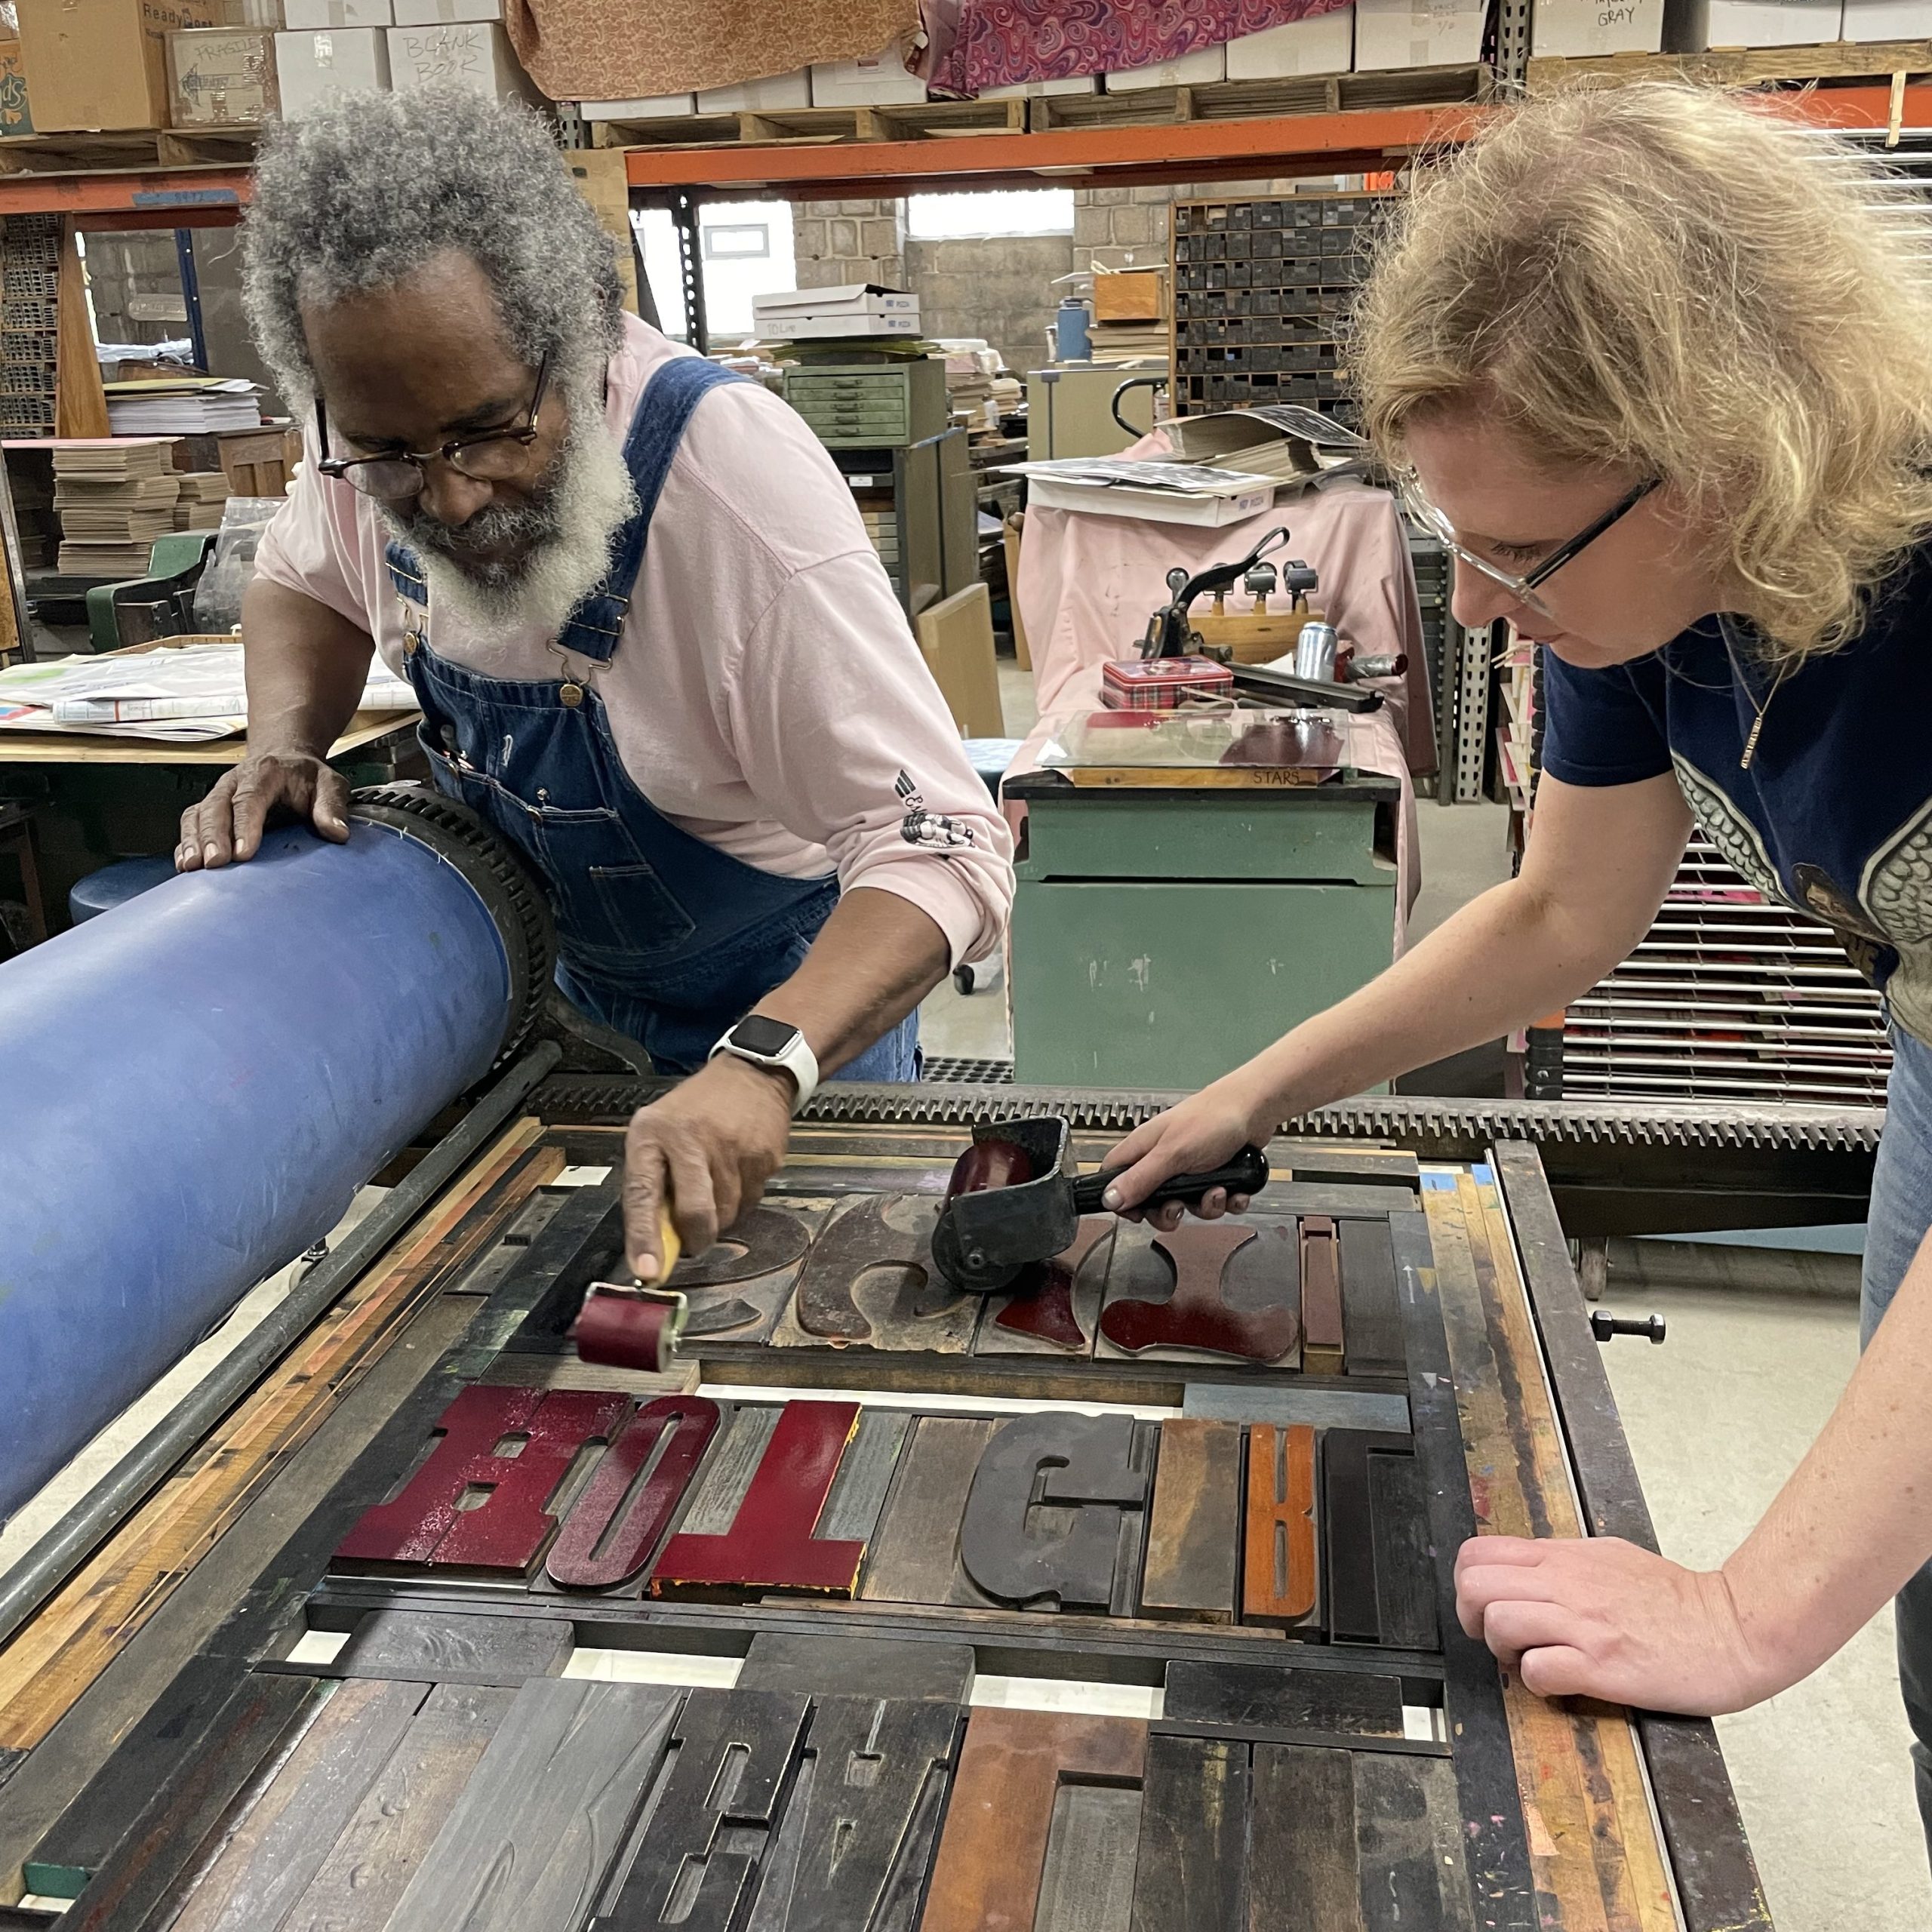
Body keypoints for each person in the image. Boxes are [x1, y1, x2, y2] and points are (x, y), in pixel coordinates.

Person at [1101, 83, 1932, 1849]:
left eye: (1510, 556)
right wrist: (1259, 1084)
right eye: (1452, 543)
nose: (1472, 609)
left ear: (1719, 463)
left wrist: (1747, 1606)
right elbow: (1563, 904)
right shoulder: (1649, 579)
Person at [178, 89, 1012, 1280]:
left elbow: (944, 845)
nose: (452, 498)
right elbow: (300, 584)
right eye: (395, 453)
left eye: (491, 432)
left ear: (577, 346)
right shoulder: (372, 438)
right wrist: (284, 737)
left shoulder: (734, 495)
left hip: (794, 1012)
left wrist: (765, 1063)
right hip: (567, 1010)